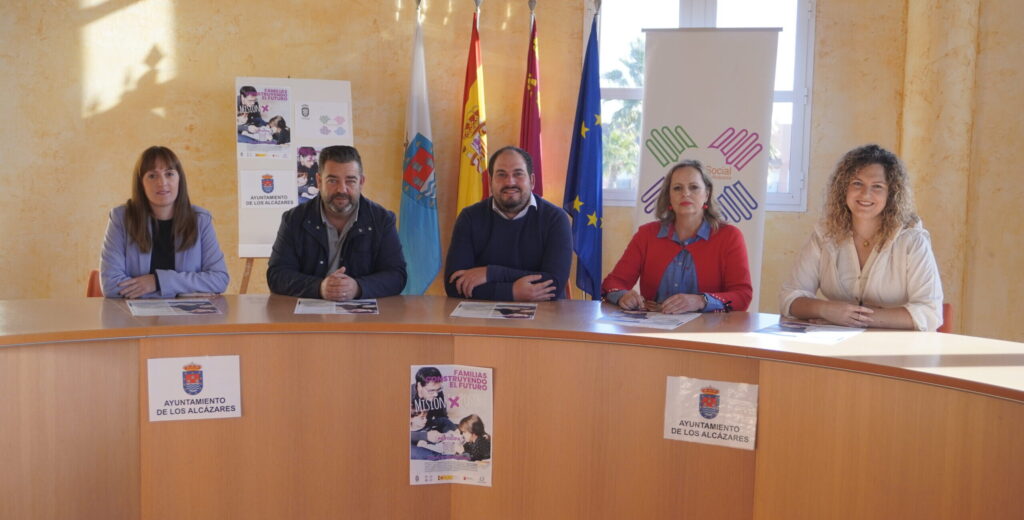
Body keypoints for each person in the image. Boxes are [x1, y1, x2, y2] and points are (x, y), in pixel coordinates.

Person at [779, 144, 942, 330]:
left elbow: (930, 313)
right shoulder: (824, 235)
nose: (865, 194)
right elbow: (789, 297)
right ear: (843, 188)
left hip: (897, 344)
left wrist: (853, 318)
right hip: (834, 341)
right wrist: (826, 310)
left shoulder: (913, 241)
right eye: (857, 183)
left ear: (892, 194)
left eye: (877, 186)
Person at [602, 160, 752, 313]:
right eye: (677, 188)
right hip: (653, 323)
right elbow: (613, 283)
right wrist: (623, 296)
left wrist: (701, 301)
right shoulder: (646, 234)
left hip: (708, 326)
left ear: (706, 194)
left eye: (694, 187)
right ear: (669, 196)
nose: (685, 193)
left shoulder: (729, 237)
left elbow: (742, 295)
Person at [267, 145, 407, 300]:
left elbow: (397, 276)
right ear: (319, 181)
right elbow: (276, 275)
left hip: (362, 313)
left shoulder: (382, 220)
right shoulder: (293, 219)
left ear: (361, 182)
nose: (342, 189)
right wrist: (319, 287)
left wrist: (358, 287)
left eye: (350, 181)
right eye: (332, 180)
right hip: (309, 312)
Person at [444, 146, 571, 301]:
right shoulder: (469, 218)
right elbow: (454, 285)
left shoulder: (555, 219)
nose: (510, 182)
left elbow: (554, 285)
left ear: (532, 181)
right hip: (482, 314)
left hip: (544, 313)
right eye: (501, 174)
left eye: (518, 174)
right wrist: (511, 292)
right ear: (490, 182)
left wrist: (490, 273)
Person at [100, 146, 229, 298]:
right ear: (141, 184)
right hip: (134, 313)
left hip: (187, 314)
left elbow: (219, 279)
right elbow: (111, 286)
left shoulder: (200, 220)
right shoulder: (121, 218)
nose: (162, 183)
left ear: (179, 179)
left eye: (169, 174)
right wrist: (181, 293)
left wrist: (158, 281)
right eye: (152, 176)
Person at [410, 367, 457, 460]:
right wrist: (425, 436)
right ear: (419, 386)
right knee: (411, 450)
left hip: (428, 426)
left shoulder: (438, 393)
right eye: (431, 390)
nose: (436, 394)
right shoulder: (407, 394)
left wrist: (447, 433)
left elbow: (442, 417)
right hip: (412, 432)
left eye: (438, 389)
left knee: (446, 423)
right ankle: (443, 457)